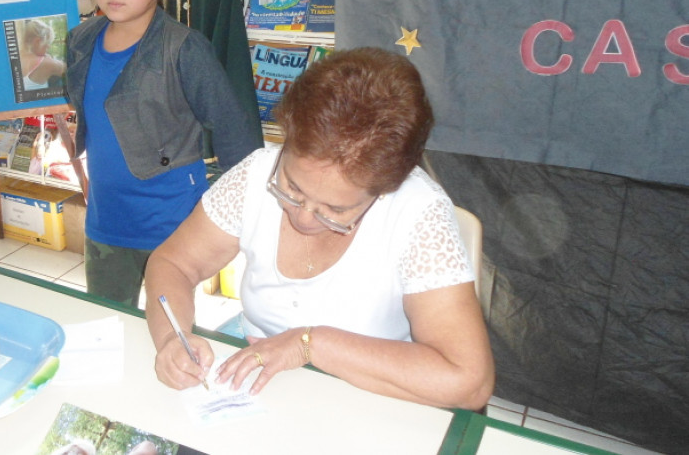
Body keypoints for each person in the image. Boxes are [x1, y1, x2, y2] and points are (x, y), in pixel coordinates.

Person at [144, 47, 495, 410]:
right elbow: (174, 264)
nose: (304, 218)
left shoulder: (418, 213)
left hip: (370, 396)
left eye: (335, 210)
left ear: (385, 189)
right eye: (292, 188)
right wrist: (172, 338)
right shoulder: (255, 174)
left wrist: (309, 344)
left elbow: (467, 382)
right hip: (263, 384)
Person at [65, 0, 263, 307]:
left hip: (171, 224)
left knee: (170, 327)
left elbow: (233, 130)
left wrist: (242, 216)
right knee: (107, 320)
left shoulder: (185, 48)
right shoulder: (81, 40)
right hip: (106, 219)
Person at [19, 19, 66, 90]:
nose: (48, 48)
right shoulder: (45, 63)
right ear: (37, 41)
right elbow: (72, 69)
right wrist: (51, 60)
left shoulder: (17, 58)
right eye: (47, 44)